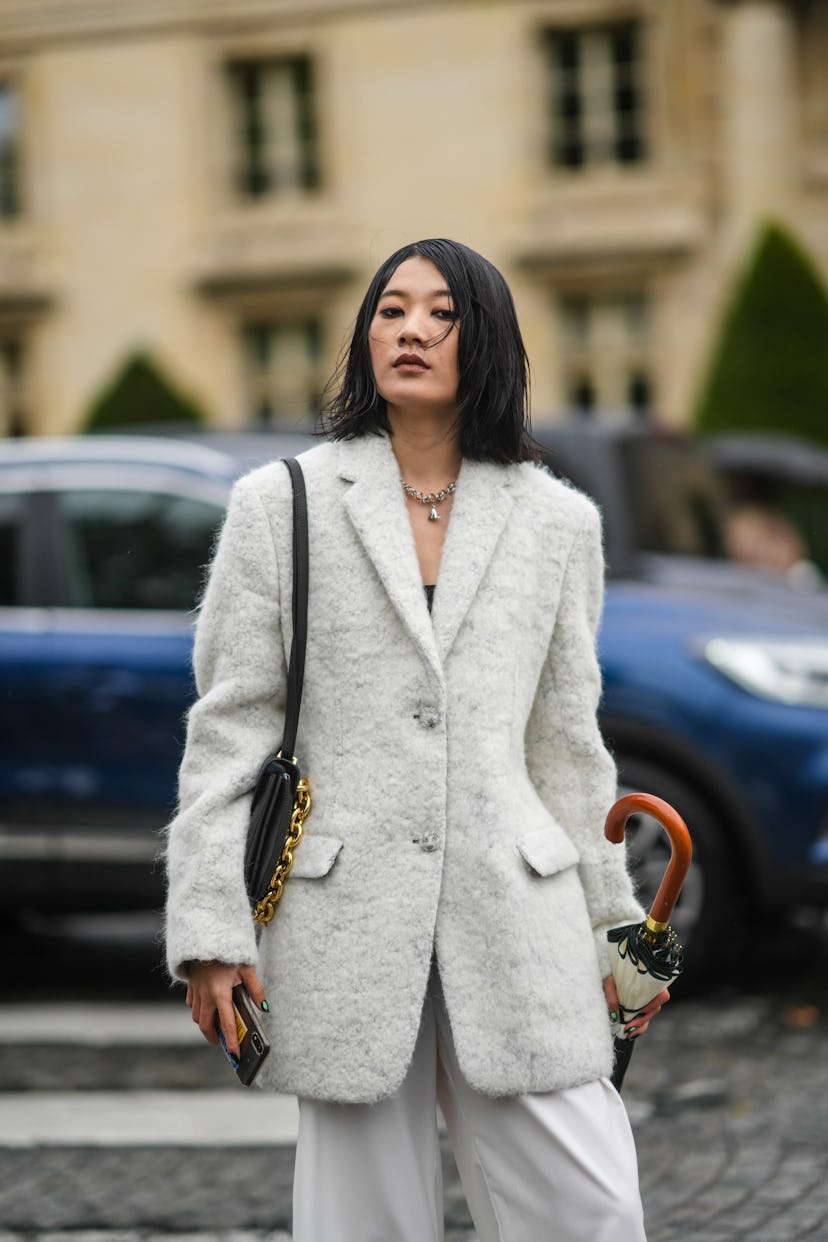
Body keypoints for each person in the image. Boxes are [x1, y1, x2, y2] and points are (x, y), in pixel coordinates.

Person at [164, 238, 668, 1241]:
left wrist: (623, 936)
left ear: (484, 341)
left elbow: (567, 746)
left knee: (590, 1208)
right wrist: (210, 933)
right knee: (364, 1223)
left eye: (441, 313)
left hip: (517, 915)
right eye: (391, 310)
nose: (411, 330)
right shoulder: (282, 506)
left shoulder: (557, 523)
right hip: (343, 920)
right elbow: (230, 729)